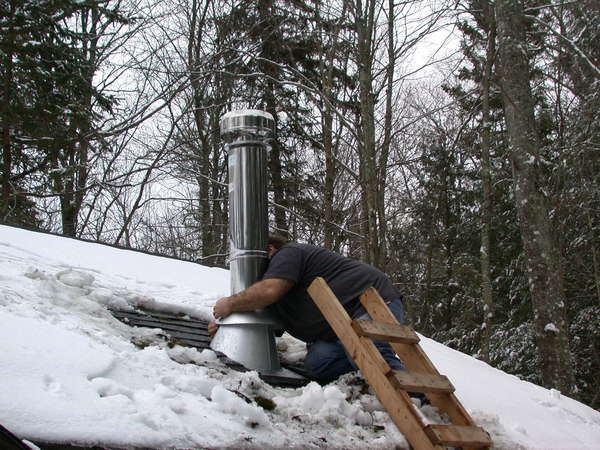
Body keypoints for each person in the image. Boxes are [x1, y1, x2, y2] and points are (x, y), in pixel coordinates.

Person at [210, 235, 408, 385]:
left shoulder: (288, 253)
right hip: (339, 331)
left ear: (270, 249)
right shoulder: (279, 297)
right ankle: (364, 376)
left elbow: (269, 290)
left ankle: (420, 401)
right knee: (319, 364)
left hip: (370, 301)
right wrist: (229, 326)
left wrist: (229, 304)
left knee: (371, 354)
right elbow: (263, 324)